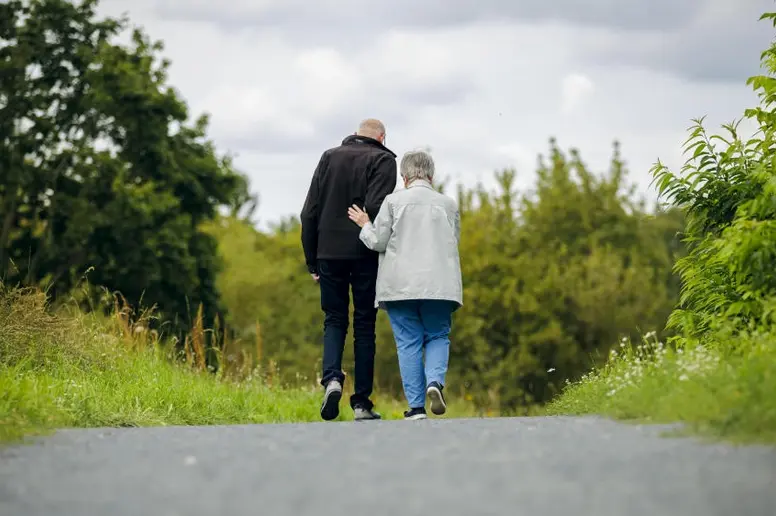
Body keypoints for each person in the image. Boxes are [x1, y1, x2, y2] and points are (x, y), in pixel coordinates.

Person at [347, 149, 462, 421]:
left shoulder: (393, 202)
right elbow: (453, 241)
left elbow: (378, 242)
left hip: (400, 285)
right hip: (440, 284)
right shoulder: (448, 204)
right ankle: (435, 381)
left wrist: (364, 223)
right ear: (431, 176)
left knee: (408, 343)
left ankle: (416, 408)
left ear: (404, 176)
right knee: (437, 335)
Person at [300, 118, 398, 421]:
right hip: (365, 252)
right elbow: (376, 207)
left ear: (356, 135)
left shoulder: (329, 157)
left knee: (334, 319)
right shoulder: (383, 160)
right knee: (365, 325)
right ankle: (361, 404)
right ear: (381, 137)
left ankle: (331, 379)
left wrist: (311, 259)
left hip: (328, 252)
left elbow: (309, 212)